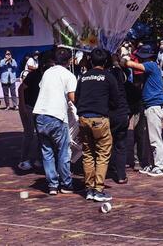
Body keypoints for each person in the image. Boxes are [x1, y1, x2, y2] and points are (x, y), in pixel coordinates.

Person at [74, 47, 118, 202]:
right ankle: (98, 189)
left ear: (91, 61)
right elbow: (115, 100)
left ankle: (88, 188)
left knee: (88, 154)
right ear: (106, 61)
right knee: (102, 154)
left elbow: (77, 98)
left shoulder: (84, 77)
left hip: (84, 118)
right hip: (100, 119)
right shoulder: (108, 77)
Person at [33, 48, 77, 194]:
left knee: (47, 152)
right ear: (69, 61)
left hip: (40, 114)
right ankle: (66, 183)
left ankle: (52, 184)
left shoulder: (47, 72)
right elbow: (72, 97)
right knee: (63, 152)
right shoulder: (69, 75)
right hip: (57, 115)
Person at [126, 44, 163, 177]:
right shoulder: (151, 68)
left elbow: (134, 66)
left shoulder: (151, 65)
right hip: (150, 105)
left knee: (155, 138)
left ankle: (160, 166)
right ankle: (152, 164)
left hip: (154, 105)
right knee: (150, 138)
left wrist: (123, 60)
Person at [107, 53, 130, 184]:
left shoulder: (105, 74)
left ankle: (106, 168)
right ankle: (121, 175)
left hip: (109, 112)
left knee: (105, 144)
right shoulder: (119, 74)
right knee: (120, 144)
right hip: (121, 112)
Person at [17, 59, 41, 171]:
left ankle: (38, 159)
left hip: (39, 107)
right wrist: (22, 105)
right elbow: (21, 88)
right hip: (28, 106)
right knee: (29, 133)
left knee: (42, 134)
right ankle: (23, 160)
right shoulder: (34, 75)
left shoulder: (48, 75)